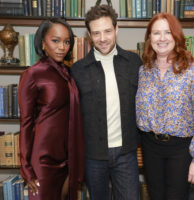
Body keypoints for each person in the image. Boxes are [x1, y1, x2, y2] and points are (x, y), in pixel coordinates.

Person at [136, 13, 194, 200]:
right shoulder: (144, 70)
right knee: (155, 196)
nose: (161, 38)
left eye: (167, 32)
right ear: (149, 38)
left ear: (176, 36)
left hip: (181, 149)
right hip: (150, 146)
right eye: (156, 33)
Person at [70, 4, 142, 200]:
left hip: (126, 153)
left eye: (107, 31)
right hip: (93, 155)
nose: (102, 38)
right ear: (89, 35)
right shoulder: (77, 70)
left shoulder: (134, 63)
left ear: (117, 29)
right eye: (96, 33)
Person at [18, 18, 84, 200]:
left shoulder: (67, 73)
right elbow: (26, 123)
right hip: (42, 161)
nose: (62, 47)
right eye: (55, 40)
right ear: (43, 43)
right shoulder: (32, 74)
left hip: (66, 159)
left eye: (67, 41)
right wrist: (26, 166)